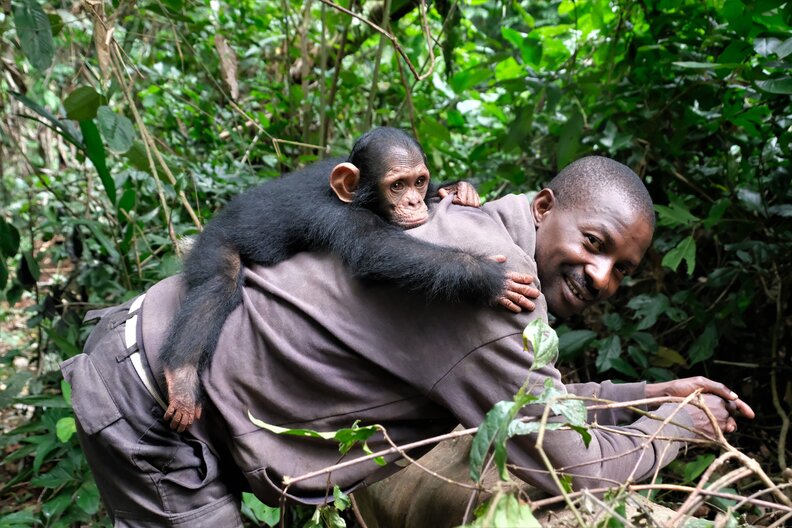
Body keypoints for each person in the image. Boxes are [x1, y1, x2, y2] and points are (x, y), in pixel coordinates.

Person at [61, 156, 753, 527]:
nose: (602, 278)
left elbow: (537, 406)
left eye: (622, 272)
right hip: (153, 403)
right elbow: (575, 472)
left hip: (150, 362)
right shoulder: (492, 289)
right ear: (544, 208)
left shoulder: (471, 226)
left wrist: (646, 395)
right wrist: (679, 426)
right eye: (594, 245)